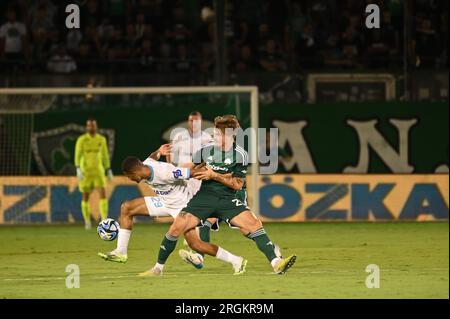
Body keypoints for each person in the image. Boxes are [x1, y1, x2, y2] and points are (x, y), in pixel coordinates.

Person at [149, 116, 296, 275]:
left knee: (253, 226)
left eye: (219, 134)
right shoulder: (206, 150)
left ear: (230, 135)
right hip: (204, 197)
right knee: (177, 226)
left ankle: (276, 263)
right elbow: (189, 168)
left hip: (228, 198)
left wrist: (214, 175)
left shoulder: (240, 155)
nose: (215, 137)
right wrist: (169, 169)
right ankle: (158, 268)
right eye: (215, 133)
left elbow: (237, 184)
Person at [100, 149, 247, 276]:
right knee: (127, 207)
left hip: (182, 206)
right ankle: (121, 251)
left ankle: (236, 260)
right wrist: (160, 151)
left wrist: (215, 173)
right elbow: (153, 156)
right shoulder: (146, 164)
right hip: (165, 202)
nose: (130, 179)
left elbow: (191, 172)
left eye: (129, 176)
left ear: (134, 172)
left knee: (195, 244)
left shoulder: (165, 173)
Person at [74, 118, 113, 229]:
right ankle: (87, 221)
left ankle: (104, 219)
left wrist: (108, 168)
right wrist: (77, 168)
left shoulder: (101, 139)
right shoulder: (82, 140)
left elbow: (105, 155)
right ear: (87, 127)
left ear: (96, 127)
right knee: (85, 196)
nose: (91, 127)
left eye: (93, 125)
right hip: (85, 172)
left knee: (103, 194)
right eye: (89, 126)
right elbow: (78, 154)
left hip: (98, 172)